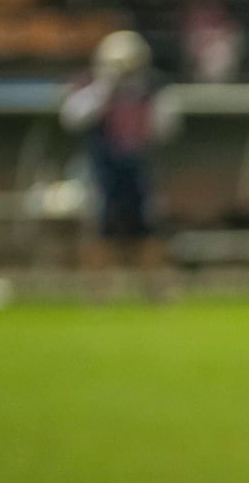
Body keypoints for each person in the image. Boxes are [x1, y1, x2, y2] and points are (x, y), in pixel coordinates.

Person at [59, 30, 181, 299]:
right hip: (102, 166)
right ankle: (98, 290)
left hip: (138, 165)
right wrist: (105, 86)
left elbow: (165, 128)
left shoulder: (152, 88)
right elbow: (72, 117)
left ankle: (155, 289)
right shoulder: (92, 85)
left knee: (148, 227)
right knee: (102, 227)